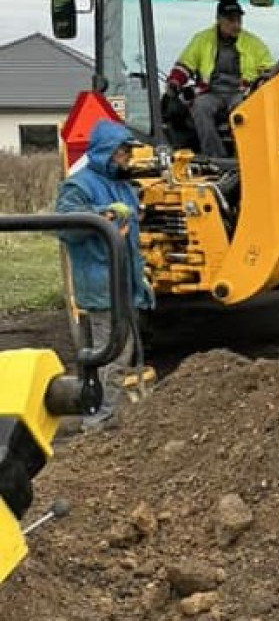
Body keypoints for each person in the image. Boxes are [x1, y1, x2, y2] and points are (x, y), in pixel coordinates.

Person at [56, 120, 155, 430]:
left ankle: (105, 412)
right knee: (110, 352)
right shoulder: (80, 186)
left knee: (119, 351)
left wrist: (140, 282)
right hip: (101, 284)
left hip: (121, 281)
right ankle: (97, 419)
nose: (128, 158)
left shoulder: (122, 185)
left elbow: (130, 240)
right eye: (124, 152)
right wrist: (103, 214)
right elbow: (64, 226)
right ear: (107, 152)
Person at [166, 1, 273, 157]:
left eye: (238, 20)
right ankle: (216, 158)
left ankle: (244, 156)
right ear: (218, 19)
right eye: (231, 20)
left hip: (241, 92)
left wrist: (262, 82)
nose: (236, 24)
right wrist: (175, 82)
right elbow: (185, 65)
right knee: (200, 106)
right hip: (211, 92)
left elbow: (269, 69)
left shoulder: (254, 43)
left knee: (243, 109)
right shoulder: (202, 39)